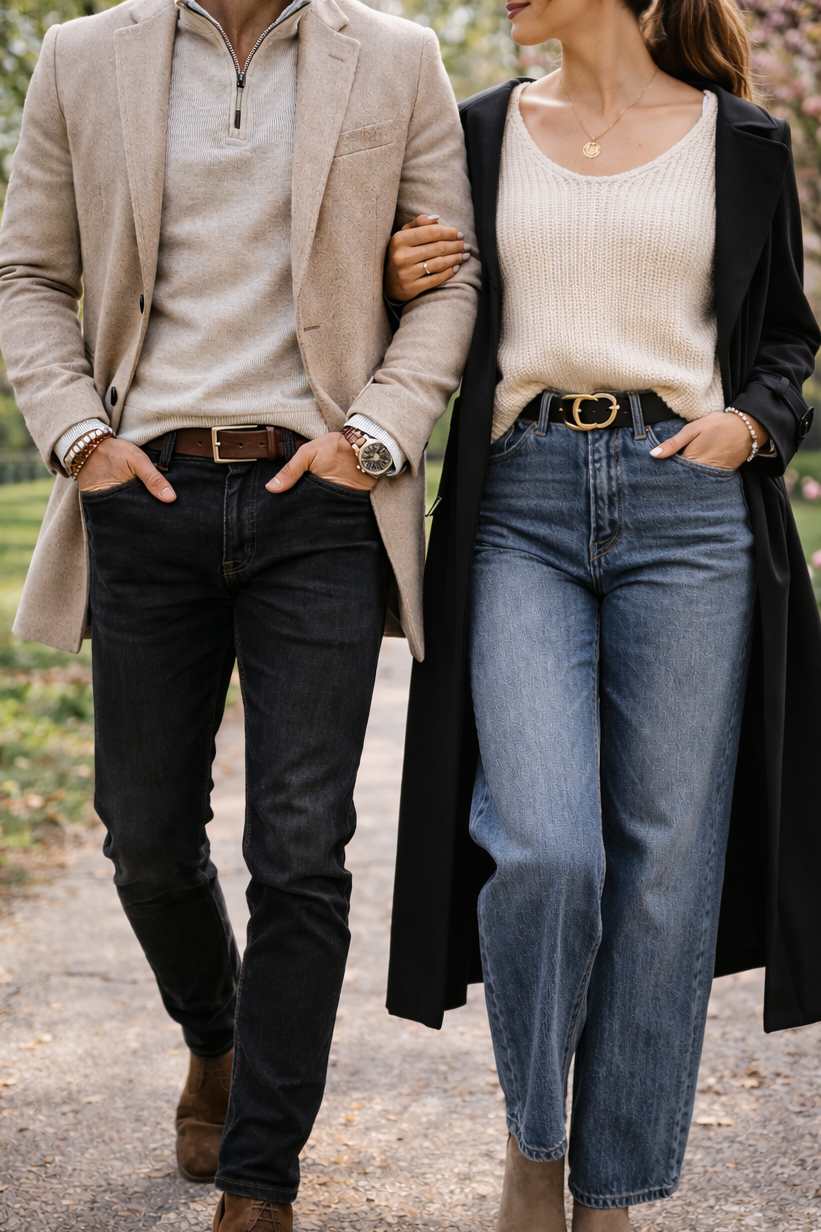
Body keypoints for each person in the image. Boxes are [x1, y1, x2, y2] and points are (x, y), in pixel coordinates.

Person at [0, 0, 479, 1225]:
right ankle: (212, 1032)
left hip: (315, 496)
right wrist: (77, 435)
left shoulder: (400, 55)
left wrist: (373, 433)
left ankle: (262, 1174)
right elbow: (29, 273)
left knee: (300, 847)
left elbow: (450, 274)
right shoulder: (79, 56)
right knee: (144, 835)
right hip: (143, 488)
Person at [384, 0, 821, 1226]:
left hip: (686, 507)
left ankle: (613, 1188)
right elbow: (431, 313)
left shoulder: (739, 139)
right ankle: (536, 1136)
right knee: (545, 844)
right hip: (515, 498)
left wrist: (753, 422)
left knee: (659, 870)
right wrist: (391, 272)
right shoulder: (477, 133)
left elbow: (782, 339)